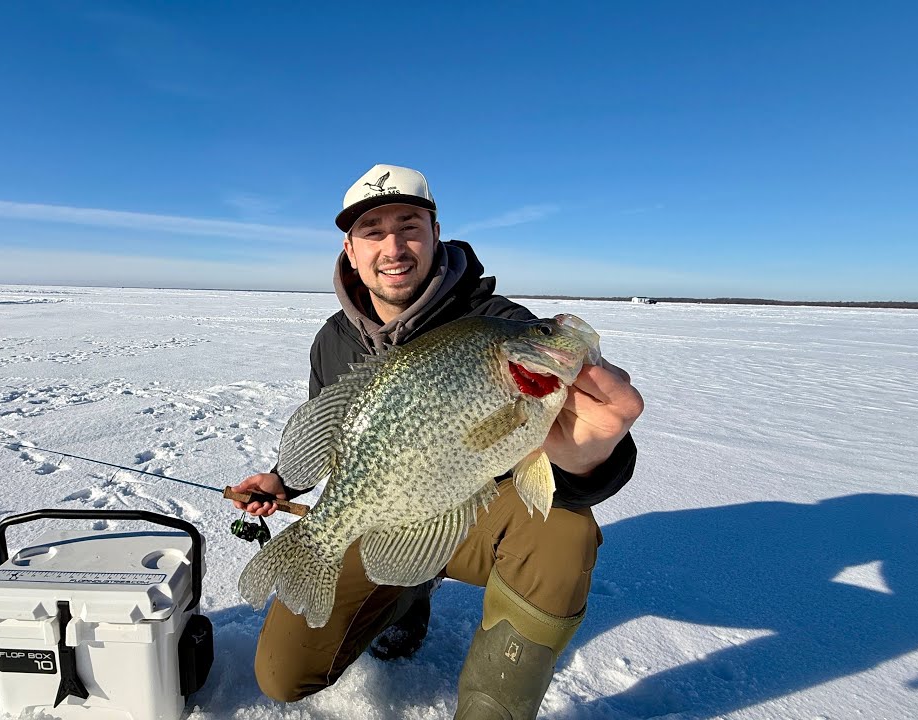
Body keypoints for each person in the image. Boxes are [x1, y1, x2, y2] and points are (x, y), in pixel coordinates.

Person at [231, 164, 643, 719]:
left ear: (434, 234)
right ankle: (406, 592)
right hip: (386, 511)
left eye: (409, 225)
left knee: (565, 528)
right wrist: (282, 480)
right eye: (373, 232)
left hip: (480, 511)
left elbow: (566, 458)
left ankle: (493, 707)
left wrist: (587, 463)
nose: (394, 246)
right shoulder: (332, 339)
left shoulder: (498, 327)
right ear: (350, 251)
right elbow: (335, 441)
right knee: (282, 675)